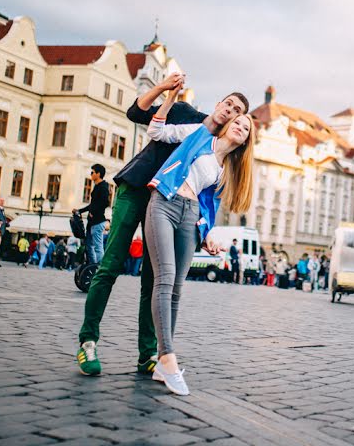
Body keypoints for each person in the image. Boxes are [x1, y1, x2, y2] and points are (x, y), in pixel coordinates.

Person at [75, 74, 248, 378]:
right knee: (111, 264)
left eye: (237, 112)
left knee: (155, 280)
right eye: (228, 104)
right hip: (138, 186)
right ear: (219, 103)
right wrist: (164, 91)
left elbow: (207, 198)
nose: (230, 112)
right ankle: (88, 341)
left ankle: (147, 355)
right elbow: (137, 115)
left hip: (168, 206)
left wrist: (205, 232)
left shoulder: (218, 150)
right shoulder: (188, 115)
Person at [140, 84, 255, 396]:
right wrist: (170, 94)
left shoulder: (226, 170)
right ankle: (167, 358)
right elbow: (157, 131)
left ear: (245, 140)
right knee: (164, 279)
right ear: (228, 125)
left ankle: (164, 359)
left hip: (189, 217)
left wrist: (206, 235)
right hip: (165, 201)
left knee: (177, 288)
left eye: (245, 127)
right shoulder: (202, 134)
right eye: (238, 121)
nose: (240, 126)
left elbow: (209, 206)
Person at [74, 164, 110, 266]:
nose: (91, 174)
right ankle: (92, 265)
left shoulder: (103, 187)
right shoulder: (98, 186)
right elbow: (93, 204)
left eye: (92, 172)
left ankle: (99, 268)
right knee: (89, 245)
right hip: (92, 222)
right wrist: (80, 211)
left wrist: (94, 212)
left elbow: (105, 203)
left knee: (98, 246)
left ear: (98, 174)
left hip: (98, 221)